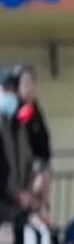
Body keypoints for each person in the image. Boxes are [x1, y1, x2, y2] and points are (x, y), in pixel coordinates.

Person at [0, 68, 33, 225]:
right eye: (5, 89)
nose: (10, 95)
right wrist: (14, 193)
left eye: (13, 90)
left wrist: (26, 193)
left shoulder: (20, 126)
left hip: (19, 206)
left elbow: (28, 161)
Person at [14, 64, 51, 166]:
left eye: (33, 82)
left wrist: (44, 165)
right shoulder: (12, 110)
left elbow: (43, 139)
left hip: (37, 166)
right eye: (26, 83)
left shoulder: (35, 108)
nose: (31, 87)